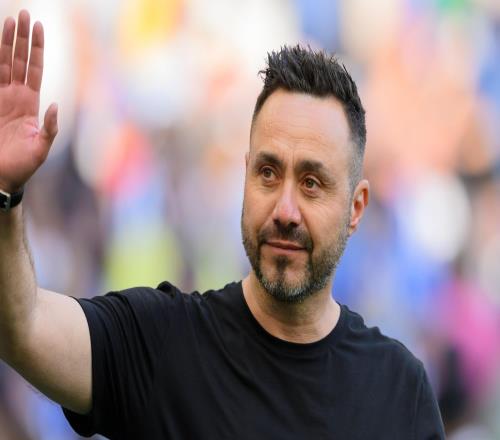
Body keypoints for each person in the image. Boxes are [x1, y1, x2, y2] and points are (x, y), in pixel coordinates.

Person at [0, 10, 445, 440]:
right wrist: (4, 191)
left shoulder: (399, 391)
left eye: (311, 183)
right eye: (268, 173)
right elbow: (22, 327)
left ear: (356, 207)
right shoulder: (162, 344)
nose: (285, 210)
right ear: (245, 175)